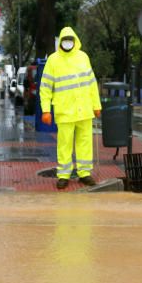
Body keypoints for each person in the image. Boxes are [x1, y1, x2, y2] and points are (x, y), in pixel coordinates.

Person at [39, 27, 101, 189]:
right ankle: (64, 175)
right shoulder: (53, 60)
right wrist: (46, 110)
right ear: (61, 42)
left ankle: (84, 173)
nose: (68, 43)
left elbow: (91, 83)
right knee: (64, 144)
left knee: (85, 142)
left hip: (84, 109)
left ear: (75, 41)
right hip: (65, 110)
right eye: (65, 40)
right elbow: (45, 87)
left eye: (70, 39)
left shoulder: (83, 57)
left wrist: (96, 105)